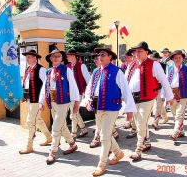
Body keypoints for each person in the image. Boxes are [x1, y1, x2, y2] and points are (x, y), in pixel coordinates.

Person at [84, 47, 136, 176]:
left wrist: (129, 109)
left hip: (111, 109)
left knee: (104, 137)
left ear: (110, 57)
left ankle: (101, 165)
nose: (100, 57)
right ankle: (118, 153)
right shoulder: (96, 71)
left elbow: (126, 90)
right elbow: (90, 87)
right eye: (99, 55)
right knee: (104, 133)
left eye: (103, 55)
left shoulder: (116, 71)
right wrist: (87, 99)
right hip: (98, 107)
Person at [128, 42, 174, 161]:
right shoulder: (132, 65)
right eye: (136, 51)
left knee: (141, 123)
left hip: (147, 98)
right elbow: (127, 81)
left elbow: (164, 81)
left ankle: (138, 149)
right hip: (134, 98)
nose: (137, 53)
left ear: (147, 53)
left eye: (140, 51)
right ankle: (147, 143)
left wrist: (169, 96)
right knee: (139, 122)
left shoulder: (154, 64)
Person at [39, 49, 80, 164]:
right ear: (51, 59)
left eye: (58, 56)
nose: (56, 58)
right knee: (61, 125)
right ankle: (72, 144)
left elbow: (73, 86)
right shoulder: (48, 72)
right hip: (52, 101)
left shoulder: (66, 70)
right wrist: (41, 101)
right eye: (54, 56)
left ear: (62, 58)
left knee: (56, 126)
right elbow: (44, 87)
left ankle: (53, 152)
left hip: (64, 101)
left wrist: (76, 103)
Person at [19, 49, 52, 154]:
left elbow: (46, 84)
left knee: (30, 121)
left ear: (35, 58)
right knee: (37, 120)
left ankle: (29, 145)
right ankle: (49, 137)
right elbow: (26, 83)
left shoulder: (40, 69)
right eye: (27, 57)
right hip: (30, 98)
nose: (27, 59)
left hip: (37, 100)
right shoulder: (28, 69)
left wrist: (42, 100)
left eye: (29, 57)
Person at [167, 50, 187, 141]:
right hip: (173, 95)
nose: (177, 59)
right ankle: (181, 131)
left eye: (179, 58)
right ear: (172, 59)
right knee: (174, 113)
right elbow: (167, 82)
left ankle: (175, 132)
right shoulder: (170, 69)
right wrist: (165, 96)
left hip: (183, 95)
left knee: (179, 114)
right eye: (176, 58)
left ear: (182, 59)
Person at [66, 49, 90, 139]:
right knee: (75, 113)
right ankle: (84, 130)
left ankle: (73, 133)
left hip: (78, 93)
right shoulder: (67, 66)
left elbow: (88, 80)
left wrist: (88, 94)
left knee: (73, 114)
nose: (66, 57)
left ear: (73, 56)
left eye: (68, 56)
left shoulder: (81, 66)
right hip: (69, 93)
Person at [150, 52, 169, 129]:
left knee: (158, 105)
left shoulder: (164, 66)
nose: (154, 61)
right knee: (160, 106)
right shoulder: (149, 66)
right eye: (152, 60)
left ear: (159, 60)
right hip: (152, 89)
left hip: (161, 88)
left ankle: (156, 121)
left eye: (155, 60)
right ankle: (165, 118)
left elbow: (165, 79)